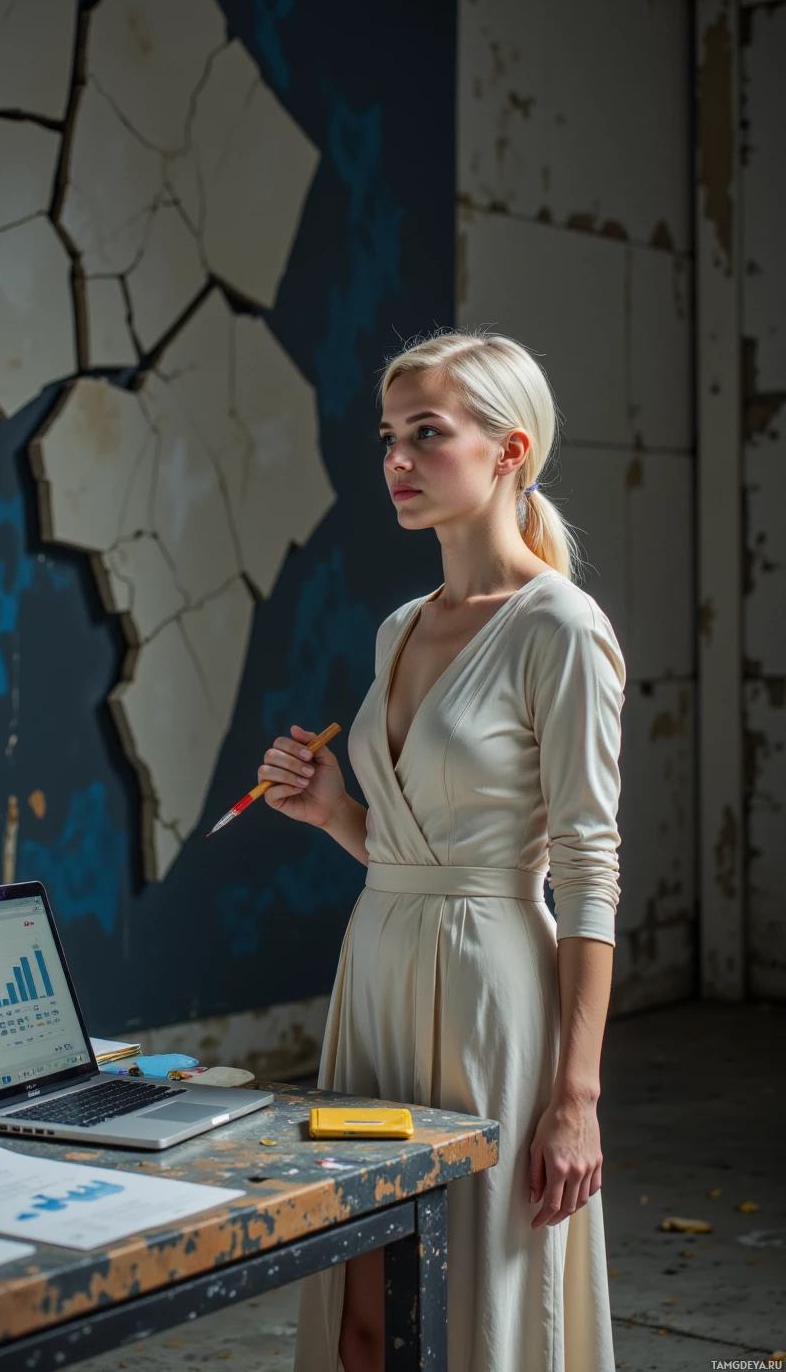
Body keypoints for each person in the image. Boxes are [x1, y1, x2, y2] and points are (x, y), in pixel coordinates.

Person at [259, 332, 624, 1372]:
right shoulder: (398, 629)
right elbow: (410, 851)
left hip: (492, 995)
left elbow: (590, 871)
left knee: (475, 1297)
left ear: (509, 450)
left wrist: (574, 1099)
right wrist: (335, 812)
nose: (398, 461)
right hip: (374, 971)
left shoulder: (560, 627)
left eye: (428, 434)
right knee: (362, 1312)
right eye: (388, 437)